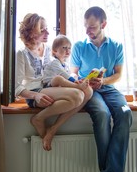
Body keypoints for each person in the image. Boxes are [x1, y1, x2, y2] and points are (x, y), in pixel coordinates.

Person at [70, 6, 133, 172]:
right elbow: (73, 73)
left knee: (125, 113)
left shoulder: (116, 46)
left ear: (103, 24)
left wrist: (104, 80)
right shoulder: (79, 46)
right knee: (102, 114)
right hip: (90, 91)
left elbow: (118, 75)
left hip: (109, 88)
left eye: (92, 27)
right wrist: (84, 81)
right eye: (86, 27)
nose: (88, 31)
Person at [15, 13, 91, 151]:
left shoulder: (49, 50)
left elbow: (59, 70)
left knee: (88, 91)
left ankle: (52, 129)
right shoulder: (21, 54)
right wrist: (35, 96)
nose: (48, 32)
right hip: (35, 93)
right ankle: (38, 119)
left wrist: (76, 79)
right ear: (31, 33)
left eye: (47, 28)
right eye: (42, 29)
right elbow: (16, 87)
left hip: (50, 87)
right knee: (77, 95)